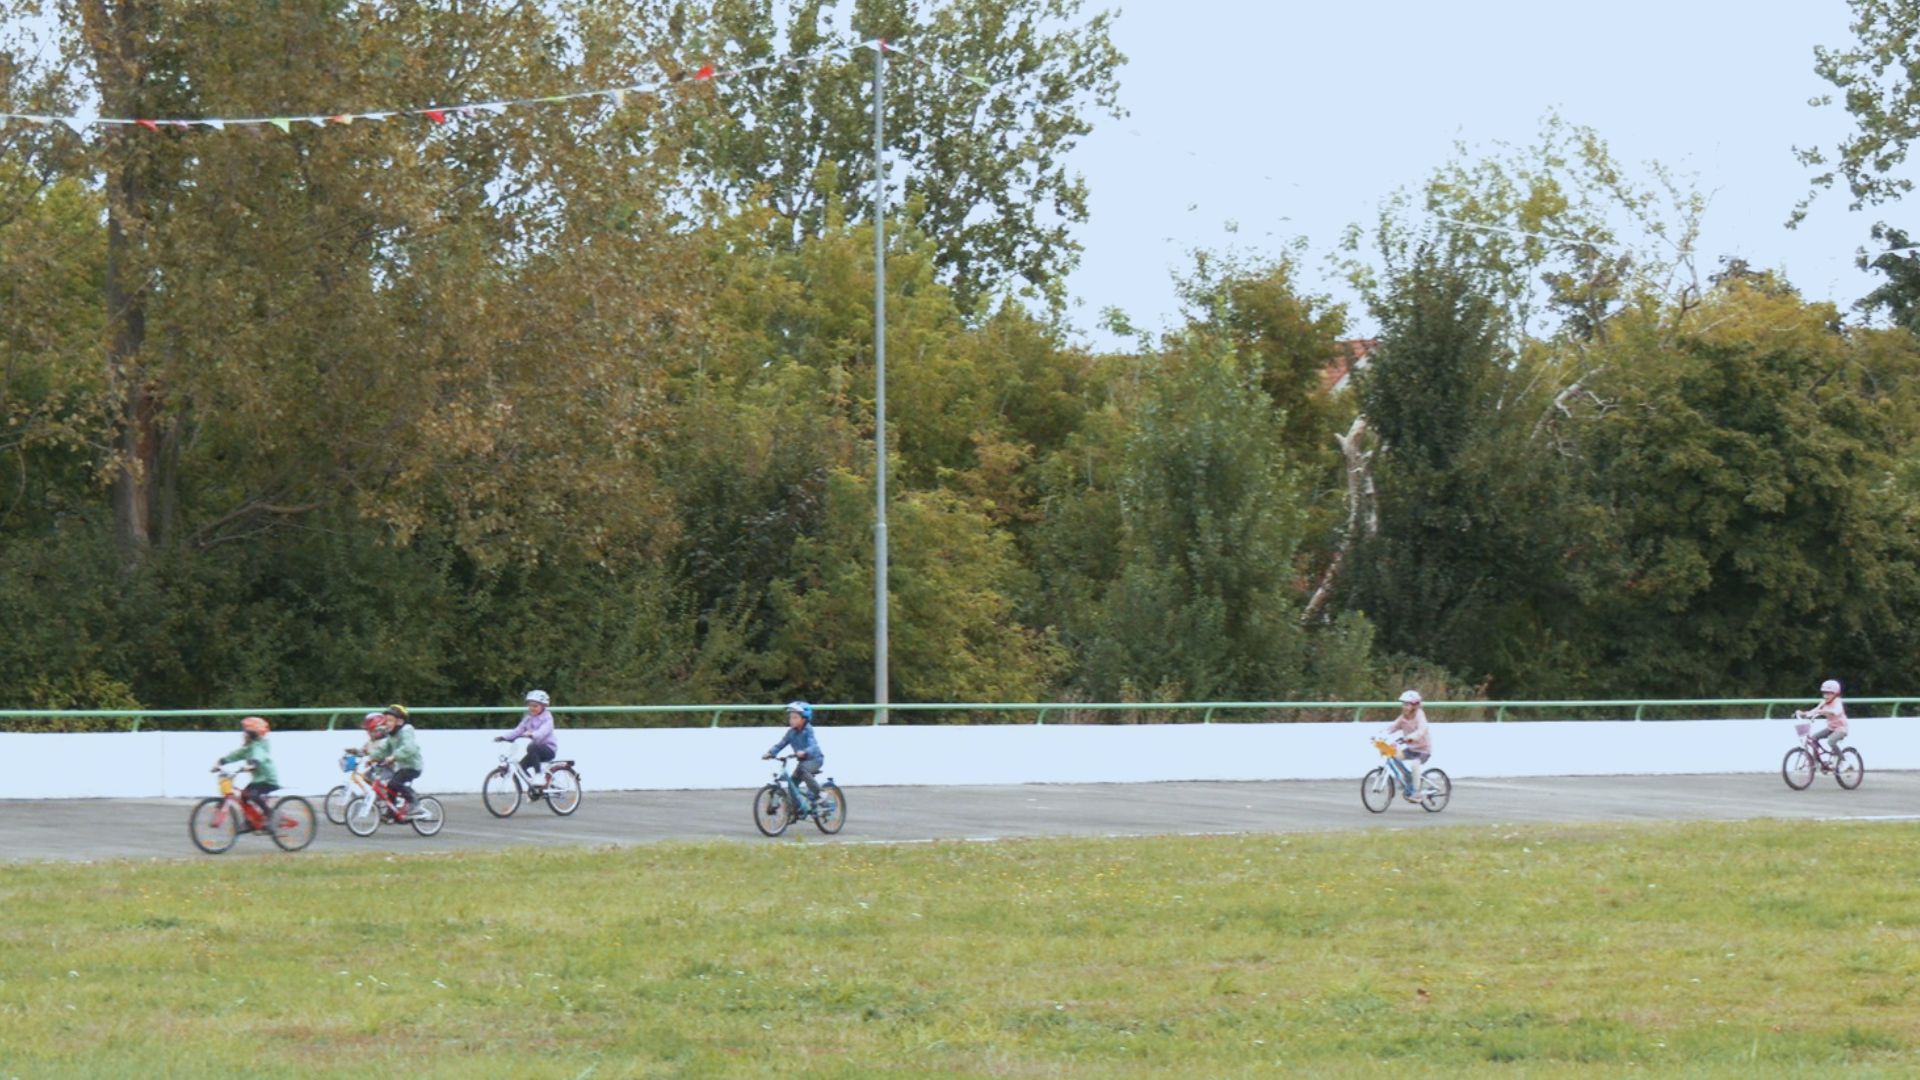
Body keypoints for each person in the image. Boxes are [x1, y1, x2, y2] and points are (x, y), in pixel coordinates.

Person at [212, 715, 279, 829]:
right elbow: (236, 755)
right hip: (258, 780)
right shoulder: (248, 748)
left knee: (253, 795)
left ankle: (270, 815)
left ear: (253, 735)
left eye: (246, 733)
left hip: (268, 780)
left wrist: (253, 764)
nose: (244, 735)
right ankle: (250, 821)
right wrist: (221, 762)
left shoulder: (259, 747)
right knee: (243, 796)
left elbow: (258, 757)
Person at [763, 700, 825, 806]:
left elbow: (813, 746)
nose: (791, 720)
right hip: (803, 762)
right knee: (792, 785)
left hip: (815, 759)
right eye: (790, 717)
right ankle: (798, 808)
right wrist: (770, 753)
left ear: (804, 719)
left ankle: (820, 793)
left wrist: (804, 751)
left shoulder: (808, 730)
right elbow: (781, 744)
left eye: (795, 717)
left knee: (803, 770)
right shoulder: (791, 732)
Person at [495, 689, 558, 791]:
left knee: (532, 747)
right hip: (535, 751)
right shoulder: (528, 718)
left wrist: (532, 734)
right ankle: (535, 788)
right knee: (521, 768)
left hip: (548, 749)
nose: (532, 708)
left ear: (543, 706)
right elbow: (517, 731)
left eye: (535, 706)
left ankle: (539, 776)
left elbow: (543, 731)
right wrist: (504, 737)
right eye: (530, 705)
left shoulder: (548, 718)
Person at [1383, 689, 1432, 800]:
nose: (1404, 707)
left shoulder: (1419, 715)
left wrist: (1410, 737)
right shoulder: (1403, 717)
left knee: (1415, 764)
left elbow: (1422, 730)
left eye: (1407, 704)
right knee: (1393, 755)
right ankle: (1407, 778)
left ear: (1414, 705)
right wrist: (1379, 735)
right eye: (1403, 704)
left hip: (1423, 750)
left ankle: (1417, 792)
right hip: (1411, 749)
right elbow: (1393, 727)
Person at [378, 703, 425, 814]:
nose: (386, 723)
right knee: (390, 786)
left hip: (413, 767)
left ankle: (414, 802)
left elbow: (409, 748)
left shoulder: (407, 730)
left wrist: (394, 757)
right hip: (403, 767)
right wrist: (370, 756)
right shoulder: (392, 735)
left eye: (390, 720)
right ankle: (392, 812)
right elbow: (384, 750)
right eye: (386, 721)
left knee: (395, 783)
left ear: (399, 721)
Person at [1796, 679, 1849, 767]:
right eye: (1824, 693)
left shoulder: (1837, 702)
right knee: (1813, 738)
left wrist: (1824, 711)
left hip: (1841, 729)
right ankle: (1815, 761)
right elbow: (1815, 710)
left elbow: (1837, 711)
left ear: (1835, 694)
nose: (1826, 696)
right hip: (1831, 727)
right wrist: (1804, 714)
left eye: (1829, 693)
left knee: (1831, 741)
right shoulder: (1823, 702)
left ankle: (1843, 761)